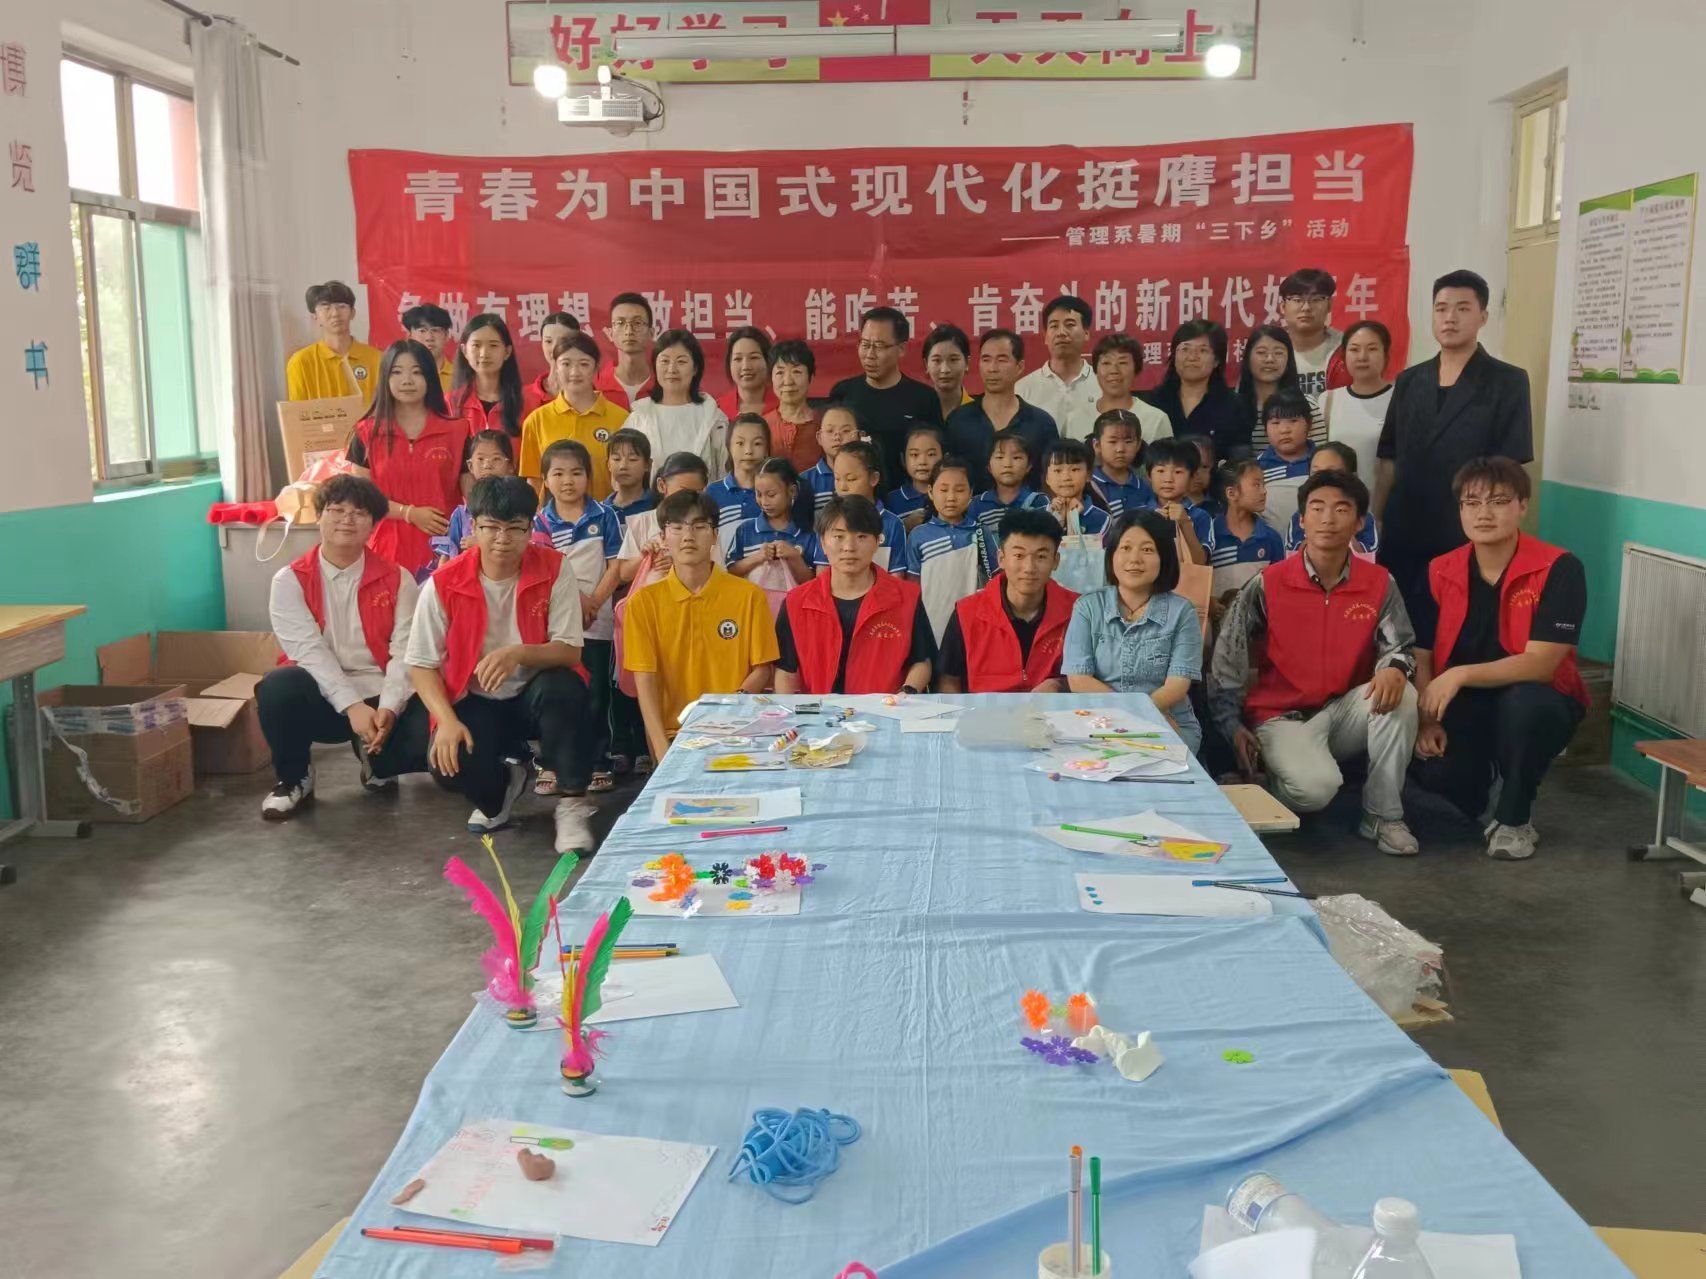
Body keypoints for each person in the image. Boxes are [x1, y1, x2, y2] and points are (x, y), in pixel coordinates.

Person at [1209, 469, 1421, 855]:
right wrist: (1231, 724)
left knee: (1401, 693)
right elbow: (1228, 658)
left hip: (1344, 713)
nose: (1328, 519)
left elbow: (1401, 646)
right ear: (1302, 519)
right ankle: (1268, 786)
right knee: (1315, 791)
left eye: (1341, 509)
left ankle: (1383, 816)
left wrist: (1394, 667)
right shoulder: (1269, 582)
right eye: (1317, 508)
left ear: (1359, 522)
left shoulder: (1379, 582)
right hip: (1281, 718)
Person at [405, 476, 597, 852]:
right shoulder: (443, 583)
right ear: (473, 527)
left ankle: (573, 802)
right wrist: (446, 721)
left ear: (531, 528)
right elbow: (421, 665)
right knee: (447, 761)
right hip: (475, 700)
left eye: (515, 529)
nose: (502, 539)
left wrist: (518, 653)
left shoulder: (555, 568)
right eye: (491, 527)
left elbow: (570, 651)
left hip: (536, 693)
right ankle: (503, 788)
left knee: (565, 689)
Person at [1409, 458, 1588, 861]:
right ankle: (1485, 780)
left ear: (1523, 506)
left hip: (1538, 697)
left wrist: (1459, 674)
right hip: (1466, 703)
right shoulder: (1439, 570)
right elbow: (1422, 653)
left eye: (1499, 501)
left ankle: (1514, 817)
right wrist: (1427, 719)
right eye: (1471, 503)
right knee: (1439, 773)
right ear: (1460, 510)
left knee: (1525, 708)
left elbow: (1541, 664)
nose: (1483, 513)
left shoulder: (1559, 568)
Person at [258, 475, 427, 818]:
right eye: (336, 510)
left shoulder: (398, 578)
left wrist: (389, 707)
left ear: (373, 525)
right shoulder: (290, 580)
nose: (347, 519)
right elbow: (309, 652)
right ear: (319, 516)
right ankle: (294, 778)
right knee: (278, 687)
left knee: (425, 724)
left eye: (359, 513)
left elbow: (406, 652)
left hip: (380, 693)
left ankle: (377, 760)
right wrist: (352, 706)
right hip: (321, 696)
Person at [1376, 270, 1534, 620]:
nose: (1450, 317)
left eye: (1463, 308)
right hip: (1405, 527)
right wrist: (1379, 517)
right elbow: (1388, 456)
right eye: (1441, 308)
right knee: (1399, 623)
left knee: (1458, 624)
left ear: (1483, 317)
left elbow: (1510, 466)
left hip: (1466, 528)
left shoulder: (1508, 380)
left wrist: (1493, 527)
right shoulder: (1409, 380)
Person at [623, 489, 779, 762]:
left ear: (715, 535)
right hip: (675, 734)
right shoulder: (642, 603)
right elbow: (645, 682)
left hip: (738, 731)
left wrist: (730, 706)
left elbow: (762, 668)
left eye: (699, 526)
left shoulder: (749, 596)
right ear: (663, 537)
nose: (688, 536)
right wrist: (660, 748)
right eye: (677, 527)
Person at [1062, 510, 1203, 752]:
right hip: (1100, 720)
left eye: (1147, 550)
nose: (1134, 559)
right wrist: (1131, 718)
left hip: (1166, 719)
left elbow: (1177, 685)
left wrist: (1147, 717)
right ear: (1112, 555)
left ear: (1164, 557)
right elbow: (1079, 680)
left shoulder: (1182, 612)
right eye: (1125, 548)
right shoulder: (1087, 607)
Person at [775, 496, 934, 695]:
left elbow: (921, 661)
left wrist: (905, 694)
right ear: (822, 543)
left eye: (861, 537)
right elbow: (785, 670)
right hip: (819, 712)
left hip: (886, 709)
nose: (849, 547)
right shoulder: (796, 602)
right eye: (838, 536)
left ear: (877, 542)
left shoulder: (907, 597)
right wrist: (791, 711)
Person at [534, 440, 623, 795]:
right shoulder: (540, 521)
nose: (568, 481)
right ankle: (552, 764)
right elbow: (543, 570)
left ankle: (598, 762)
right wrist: (575, 600)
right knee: (557, 694)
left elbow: (616, 566)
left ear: (589, 476)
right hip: (556, 624)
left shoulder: (605, 516)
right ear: (545, 479)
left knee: (597, 694)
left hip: (598, 623)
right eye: (558, 474)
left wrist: (595, 601)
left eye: (576, 473)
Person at [345, 339, 468, 577]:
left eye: (417, 372)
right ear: (385, 377)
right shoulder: (366, 433)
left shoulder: (457, 431)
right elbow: (362, 499)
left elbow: (473, 498)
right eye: (397, 372)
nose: (407, 380)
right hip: (386, 550)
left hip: (445, 552)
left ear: (430, 377)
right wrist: (409, 513)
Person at [938, 507, 1075, 693]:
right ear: (1001, 558)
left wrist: (1060, 685)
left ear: (1056, 561)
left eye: (1041, 556)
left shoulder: (1078, 611)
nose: (1029, 568)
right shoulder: (967, 612)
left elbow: (1092, 677)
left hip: (1054, 710)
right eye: (1019, 555)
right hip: (983, 710)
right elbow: (948, 680)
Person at [828, 306, 943, 483]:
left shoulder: (924, 398)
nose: (870, 354)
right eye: (865, 344)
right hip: (854, 493)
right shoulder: (843, 393)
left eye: (879, 347)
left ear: (901, 348)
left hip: (906, 495)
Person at [945, 329, 1060, 489]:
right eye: (986, 360)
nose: (992, 368)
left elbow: (1053, 478)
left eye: (1001, 360)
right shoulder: (959, 420)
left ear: (1020, 366)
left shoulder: (1041, 423)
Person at [517, 332, 625, 500]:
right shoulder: (536, 420)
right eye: (566, 364)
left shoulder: (621, 419)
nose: (575, 372)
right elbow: (534, 482)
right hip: (553, 516)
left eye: (584, 364)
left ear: (596, 368)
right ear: (555, 368)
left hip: (607, 514)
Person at [627, 329, 730, 480]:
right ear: (655, 366)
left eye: (681, 361)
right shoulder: (639, 417)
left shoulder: (714, 418)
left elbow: (724, 475)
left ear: (695, 368)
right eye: (664, 361)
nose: (672, 369)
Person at [1141, 319, 1248, 458]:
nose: (1192, 357)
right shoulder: (1155, 401)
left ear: (1216, 360)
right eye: (1185, 349)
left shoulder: (1233, 405)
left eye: (1202, 350)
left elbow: (1239, 459)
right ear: (1174, 356)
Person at [905, 456, 983, 642]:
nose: (951, 497)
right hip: (931, 621)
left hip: (972, 621)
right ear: (931, 492)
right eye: (943, 490)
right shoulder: (918, 535)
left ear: (971, 493)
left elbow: (992, 580)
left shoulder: (980, 533)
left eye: (960, 490)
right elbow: (912, 584)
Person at [617, 451, 710, 592]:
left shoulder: (706, 525)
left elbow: (717, 568)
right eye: (683, 491)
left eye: (696, 493)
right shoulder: (642, 522)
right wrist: (645, 558)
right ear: (661, 485)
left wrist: (680, 563)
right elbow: (624, 574)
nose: (688, 499)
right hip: (650, 601)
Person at [728, 457, 819, 596]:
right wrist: (758, 557)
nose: (764, 502)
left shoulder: (806, 534)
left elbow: (811, 582)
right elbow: (731, 571)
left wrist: (794, 557)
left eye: (771, 495)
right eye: (758, 494)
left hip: (792, 607)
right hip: (753, 606)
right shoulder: (745, 530)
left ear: (792, 491)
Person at [1014, 295, 1099, 440]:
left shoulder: (1102, 385)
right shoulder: (1022, 390)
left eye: (1070, 325)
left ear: (1086, 333)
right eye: (1054, 326)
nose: (1061, 333)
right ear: (1046, 336)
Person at [817, 440, 909, 574]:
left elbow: (896, 576)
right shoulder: (828, 520)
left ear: (873, 478)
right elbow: (822, 572)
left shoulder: (892, 524)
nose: (842, 487)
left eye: (851, 479)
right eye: (837, 479)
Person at [1318, 320, 1392, 486]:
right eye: (1354, 349)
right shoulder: (1328, 400)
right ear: (1344, 356)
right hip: (1338, 498)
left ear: (1386, 355)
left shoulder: (1399, 398)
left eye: (1372, 349)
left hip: (1386, 498)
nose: (1362, 357)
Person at [432, 429, 516, 566]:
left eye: (496, 459)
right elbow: (446, 559)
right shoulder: (461, 515)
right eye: (480, 459)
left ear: (511, 466)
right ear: (470, 466)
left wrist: (482, 544)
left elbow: (525, 550)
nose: (487, 465)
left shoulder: (518, 510)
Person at [287, 281, 381, 401]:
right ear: (315, 316)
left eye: (341, 306)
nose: (335, 313)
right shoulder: (300, 362)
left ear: (353, 313)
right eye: (326, 307)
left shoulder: (377, 359)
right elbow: (298, 411)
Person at [969, 429, 1049, 567]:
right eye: (1000, 457)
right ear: (989, 466)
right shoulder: (977, 505)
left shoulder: (1039, 501)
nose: (1007, 464)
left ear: (1029, 466)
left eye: (1016, 458)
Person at [1284, 443, 1379, 559]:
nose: (1322, 481)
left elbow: (1367, 557)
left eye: (1332, 474)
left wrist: (1346, 530)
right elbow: (1293, 557)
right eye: (1316, 473)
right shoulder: (1300, 516)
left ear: (1353, 478)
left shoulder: (1364, 517)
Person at [1209, 459, 1286, 596]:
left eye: (1263, 484)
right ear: (1231, 493)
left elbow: (1278, 590)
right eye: (1256, 485)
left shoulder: (1271, 538)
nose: (1264, 491)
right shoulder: (1210, 536)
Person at [1237, 324, 1320, 451]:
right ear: (1248, 357)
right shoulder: (1234, 407)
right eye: (1261, 352)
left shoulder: (1308, 404)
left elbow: (1320, 457)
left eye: (1278, 353)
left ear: (1289, 359)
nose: (1270, 359)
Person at [448, 314, 527, 439]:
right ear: (464, 350)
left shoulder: (527, 402)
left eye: (493, 345)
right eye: (476, 345)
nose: (484, 354)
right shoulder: (449, 403)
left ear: (507, 352)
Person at [1279, 267, 1350, 403]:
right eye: (1297, 299)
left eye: (1316, 299)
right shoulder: (1271, 351)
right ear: (1283, 307)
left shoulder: (1347, 347)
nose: (1306, 307)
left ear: (1329, 305)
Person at [1254, 391, 1317, 536]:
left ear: (1309, 424)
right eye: (1275, 423)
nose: (1284, 430)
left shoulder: (1323, 463)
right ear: (1265, 429)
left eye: (1293, 421)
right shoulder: (1256, 469)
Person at [1142, 437, 1212, 565]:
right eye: (1161, 471)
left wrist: (1185, 523)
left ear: (1192, 477)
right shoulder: (1138, 515)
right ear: (1148, 476)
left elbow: (1200, 562)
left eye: (1178, 472)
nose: (1168, 479)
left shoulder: (1201, 517)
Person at [1090, 333, 1171, 442]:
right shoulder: (1074, 418)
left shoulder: (1156, 420)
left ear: (1136, 369)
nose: (1114, 370)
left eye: (1122, 362)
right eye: (1106, 363)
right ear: (1095, 369)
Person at [710, 414, 769, 561]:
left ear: (767, 449)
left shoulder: (775, 492)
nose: (748, 451)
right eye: (740, 443)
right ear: (728, 447)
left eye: (757, 443)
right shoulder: (713, 492)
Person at [764, 339, 825, 472]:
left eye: (796, 372)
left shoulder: (824, 426)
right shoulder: (762, 426)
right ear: (771, 379)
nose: (788, 381)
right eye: (780, 372)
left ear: (810, 378)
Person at [799, 403, 861, 519]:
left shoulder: (866, 475)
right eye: (830, 430)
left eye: (846, 431)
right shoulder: (804, 481)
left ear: (858, 436)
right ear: (819, 437)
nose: (837, 437)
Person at [1089, 410, 1154, 518]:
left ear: (1138, 444)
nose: (1120, 449)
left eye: (1128, 442)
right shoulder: (1088, 486)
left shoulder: (1146, 486)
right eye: (1112, 442)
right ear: (1097, 445)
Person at [1041, 438, 1111, 538]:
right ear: (1047, 478)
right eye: (1057, 471)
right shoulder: (1035, 516)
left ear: (1088, 475)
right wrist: (1055, 521)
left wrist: (1073, 523)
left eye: (1074, 469)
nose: (1066, 477)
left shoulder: (1102, 519)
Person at [522, 311, 583, 415]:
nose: (555, 348)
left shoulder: (590, 394)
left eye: (564, 341)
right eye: (548, 341)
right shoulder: (521, 398)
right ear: (542, 343)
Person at [599, 292, 656, 406]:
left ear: (651, 333)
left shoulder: (663, 383)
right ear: (610, 333)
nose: (629, 331)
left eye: (637, 323)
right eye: (620, 323)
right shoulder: (596, 385)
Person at [885, 425, 944, 529]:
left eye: (931, 454)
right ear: (903, 459)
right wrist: (905, 526)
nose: (922, 462)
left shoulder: (950, 494)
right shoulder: (892, 500)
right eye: (914, 455)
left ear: (945, 458)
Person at [718, 327, 779, 420]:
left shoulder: (784, 406)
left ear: (768, 361)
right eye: (738, 359)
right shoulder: (717, 410)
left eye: (754, 357)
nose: (746, 366)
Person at [605, 427, 655, 535]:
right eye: (617, 459)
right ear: (608, 464)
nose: (623, 466)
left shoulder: (657, 507)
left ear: (648, 465)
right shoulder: (601, 511)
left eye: (633, 459)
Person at [922, 324, 974, 420]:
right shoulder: (917, 412)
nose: (945, 370)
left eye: (953, 360)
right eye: (937, 360)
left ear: (967, 363)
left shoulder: (980, 413)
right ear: (926, 365)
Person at [403, 302, 456, 391]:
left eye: (435, 330)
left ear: (447, 335)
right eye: (422, 331)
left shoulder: (459, 376)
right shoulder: (400, 375)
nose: (429, 338)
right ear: (409, 336)